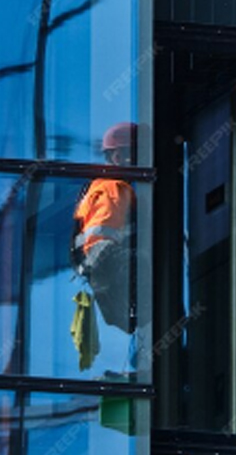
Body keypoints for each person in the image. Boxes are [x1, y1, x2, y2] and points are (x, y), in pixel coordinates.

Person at [72, 122, 140, 335]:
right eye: (139, 152)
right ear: (119, 157)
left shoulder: (97, 188)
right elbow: (100, 245)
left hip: (100, 275)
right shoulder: (114, 188)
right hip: (107, 267)